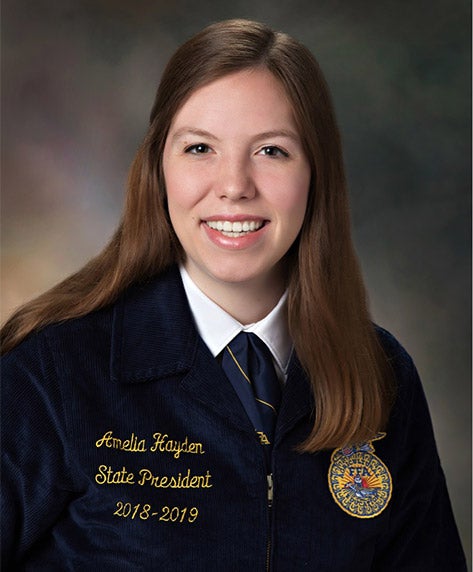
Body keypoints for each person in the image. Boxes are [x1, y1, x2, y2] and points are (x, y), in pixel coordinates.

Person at [1, 18, 466, 571]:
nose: (234, 185)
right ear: (158, 168)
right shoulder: (51, 371)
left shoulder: (381, 375)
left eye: (271, 151)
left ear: (317, 173)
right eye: (200, 148)